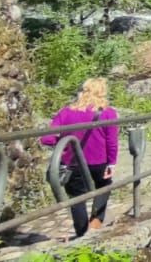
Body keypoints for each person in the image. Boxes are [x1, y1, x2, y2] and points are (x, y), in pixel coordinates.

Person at [41, 78, 119, 239]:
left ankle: (82, 234)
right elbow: (112, 141)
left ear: (82, 91)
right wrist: (112, 163)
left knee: (77, 198)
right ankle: (96, 222)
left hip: (73, 163)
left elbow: (46, 139)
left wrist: (64, 141)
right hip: (99, 162)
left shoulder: (66, 112)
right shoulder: (108, 112)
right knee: (104, 187)